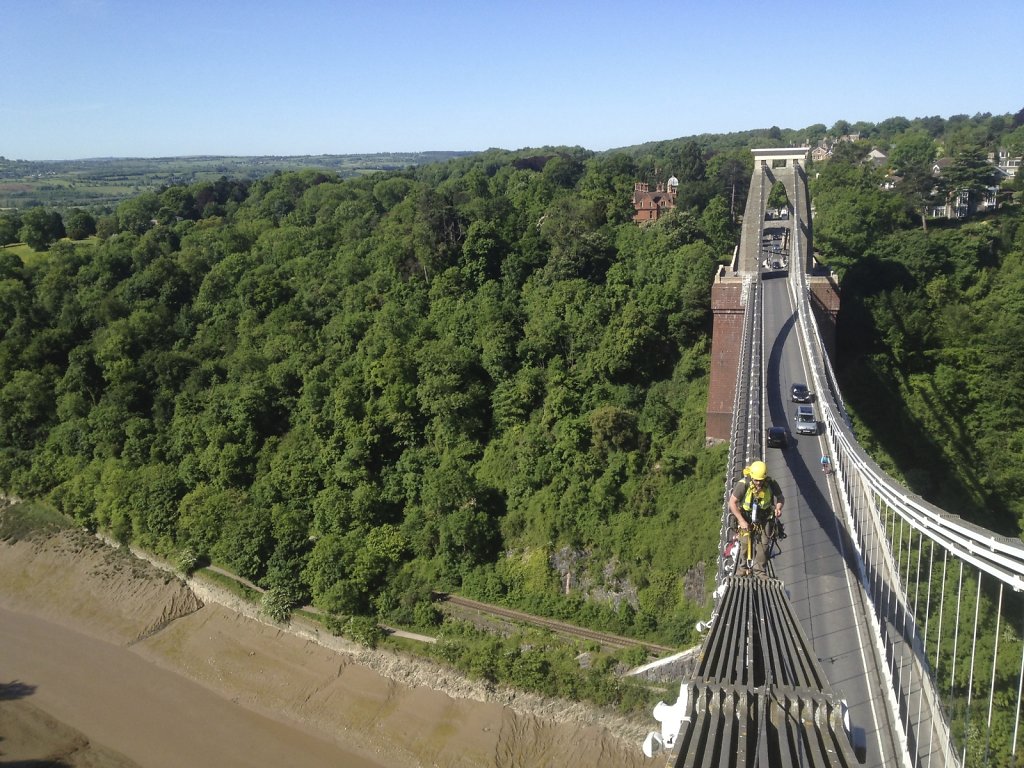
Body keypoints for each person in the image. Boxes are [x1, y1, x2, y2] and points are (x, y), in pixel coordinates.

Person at [728, 460, 784, 577]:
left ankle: (759, 571)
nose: (758, 483)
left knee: (763, 545)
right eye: (756, 480)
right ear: (752, 477)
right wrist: (741, 520)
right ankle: (743, 568)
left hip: (765, 518)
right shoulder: (744, 484)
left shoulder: (771, 484)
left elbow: (780, 497)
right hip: (746, 517)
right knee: (744, 543)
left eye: (760, 480)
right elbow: (732, 502)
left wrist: (778, 508)